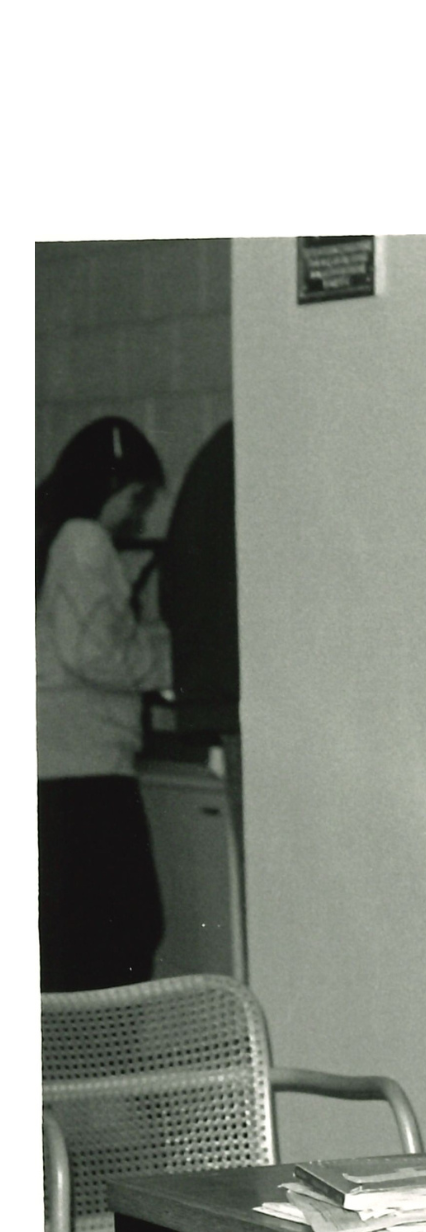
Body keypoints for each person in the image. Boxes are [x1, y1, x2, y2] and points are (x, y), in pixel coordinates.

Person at [36, 416, 174, 992]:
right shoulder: (83, 539)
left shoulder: (44, 536)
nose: (138, 516)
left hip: (55, 774)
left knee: (74, 942)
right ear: (110, 482)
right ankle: (113, 1074)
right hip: (87, 772)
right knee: (126, 929)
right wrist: (177, 656)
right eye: (137, 498)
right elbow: (98, 653)